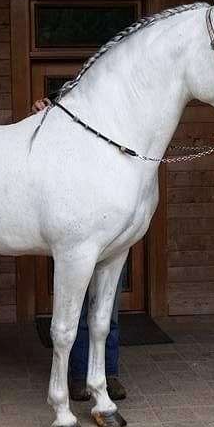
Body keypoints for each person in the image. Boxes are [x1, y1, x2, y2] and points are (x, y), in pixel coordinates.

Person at [32, 96, 126, 401]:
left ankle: (107, 373)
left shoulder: (119, 123)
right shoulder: (79, 109)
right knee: (82, 307)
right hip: (83, 231)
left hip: (111, 231)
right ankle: (77, 376)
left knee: (107, 311)